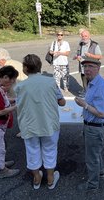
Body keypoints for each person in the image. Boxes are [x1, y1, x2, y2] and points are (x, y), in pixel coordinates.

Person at [14, 54, 66, 190]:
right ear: (39, 67)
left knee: (32, 150)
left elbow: (19, 105)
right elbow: (62, 102)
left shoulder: (20, 86)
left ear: (25, 68)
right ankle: (50, 178)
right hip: (49, 123)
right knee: (50, 149)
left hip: (29, 124)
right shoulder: (50, 82)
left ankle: (37, 178)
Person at [74, 57, 104, 192]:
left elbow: (102, 113)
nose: (87, 69)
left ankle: (92, 185)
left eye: (90, 66)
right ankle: (100, 172)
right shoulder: (92, 82)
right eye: (85, 67)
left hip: (94, 128)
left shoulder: (101, 86)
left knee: (91, 158)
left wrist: (84, 104)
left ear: (98, 68)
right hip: (91, 126)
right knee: (95, 153)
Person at [73, 30, 103, 96]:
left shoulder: (94, 45)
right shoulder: (81, 44)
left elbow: (100, 56)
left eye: (86, 36)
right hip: (83, 67)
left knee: (93, 82)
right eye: (83, 36)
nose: (84, 37)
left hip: (92, 68)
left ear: (89, 36)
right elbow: (78, 53)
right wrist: (77, 57)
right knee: (84, 80)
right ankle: (85, 92)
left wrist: (90, 55)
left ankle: (94, 94)